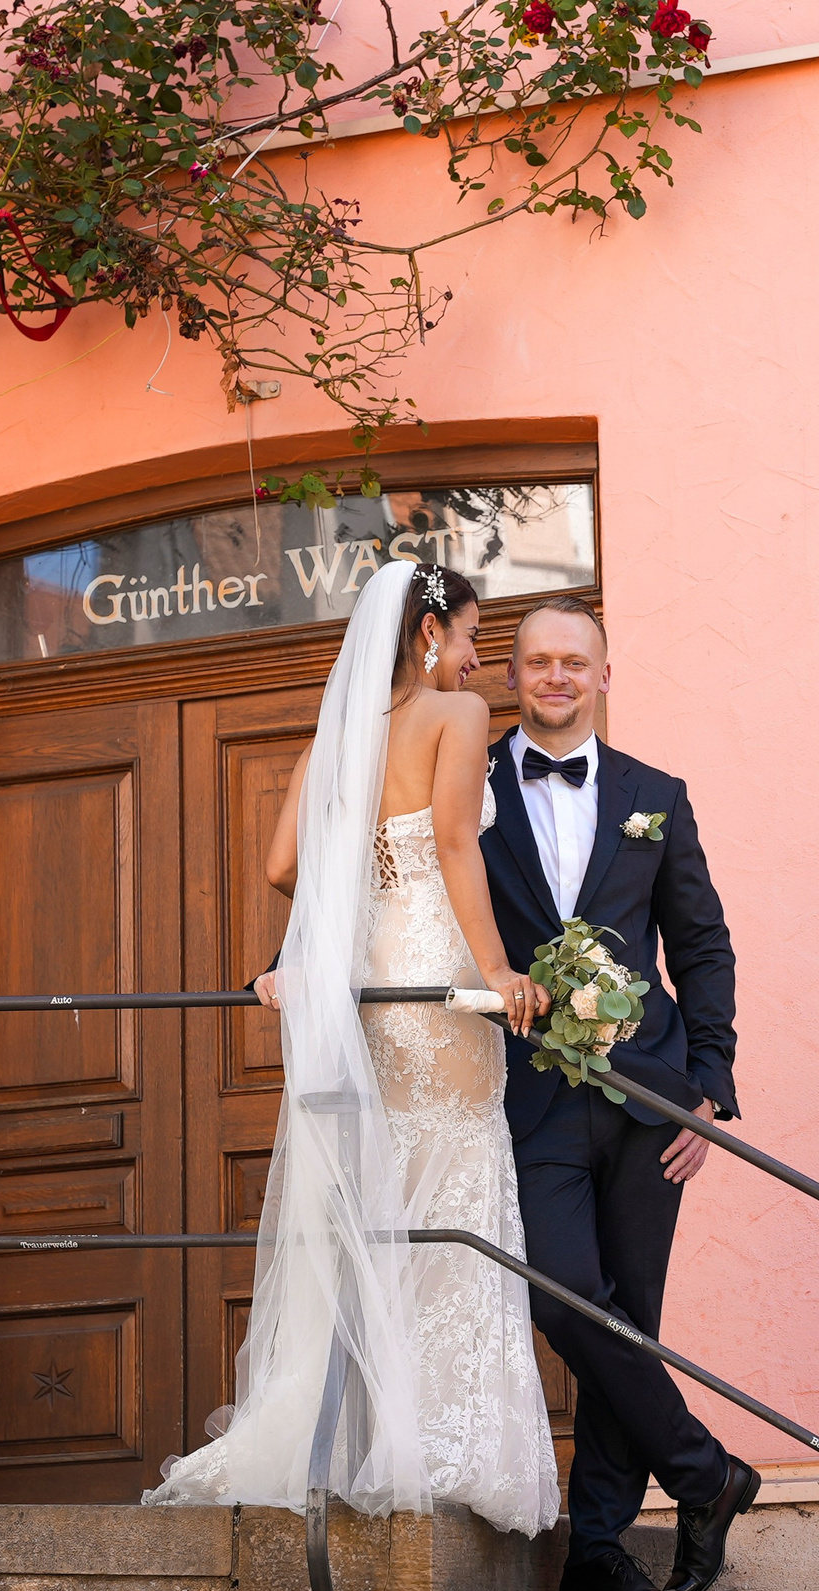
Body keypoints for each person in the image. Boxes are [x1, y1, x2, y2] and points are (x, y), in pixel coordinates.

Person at [142, 561, 560, 1537]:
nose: (476, 658)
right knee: (456, 1187)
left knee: (382, 1198)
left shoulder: (335, 739)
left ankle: (368, 1436)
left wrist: (359, 898)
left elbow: (282, 864)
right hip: (436, 974)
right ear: (429, 633)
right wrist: (497, 970)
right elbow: (454, 843)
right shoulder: (458, 716)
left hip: (366, 985)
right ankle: (446, 1447)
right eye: (470, 635)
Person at [481, 596, 757, 1591]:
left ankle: (596, 1552)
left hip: (649, 1094)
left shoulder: (657, 795)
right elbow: (398, 891)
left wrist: (709, 1087)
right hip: (528, 1096)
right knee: (565, 1293)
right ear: (513, 675)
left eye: (575, 662)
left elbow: (701, 944)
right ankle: (704, 1473)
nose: (556, 677)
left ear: (604, 675)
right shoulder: (466, 784)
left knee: (629, 1317)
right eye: (537, 661)